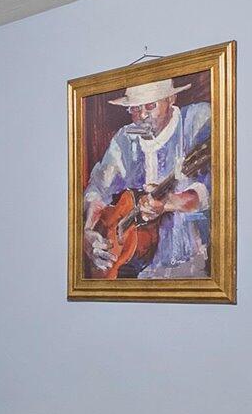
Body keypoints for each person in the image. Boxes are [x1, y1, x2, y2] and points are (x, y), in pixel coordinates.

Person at [82, 76, 211, 278]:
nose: (142, 115)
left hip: (189, 262)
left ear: (171, 99)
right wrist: (88, 232)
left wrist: (169, 203)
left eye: (150, 106)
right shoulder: (125, 138)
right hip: (134, 268)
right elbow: (98, 188)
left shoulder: (197, 120)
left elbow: (215, 188)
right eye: (135, 108)